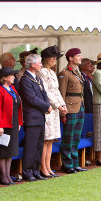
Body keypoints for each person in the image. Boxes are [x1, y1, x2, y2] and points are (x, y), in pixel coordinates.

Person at [18, 54, 52, 182]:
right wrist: (46, 106)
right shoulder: (25, 79)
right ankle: (27, 172)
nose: (41, 65)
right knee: (30, 147)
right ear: (32, 64)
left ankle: (35, 170)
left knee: (38, 146)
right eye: (39, 63)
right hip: (32, 118)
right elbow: (31, 98)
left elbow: (44, 95)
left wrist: (47, 105)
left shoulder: (37, 78)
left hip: (40, 117)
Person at [38, 45, 67, 178]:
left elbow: (56, 91)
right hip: (48, 109)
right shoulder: (42, 72)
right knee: (45, 139)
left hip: (55, 110)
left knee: (51, 140)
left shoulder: (52, 73)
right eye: (52, 57)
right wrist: (57, 105)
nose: (54, 59)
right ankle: (43, 167)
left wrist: (62, 105)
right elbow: (46, 92)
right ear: (45, 59)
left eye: (55, 57)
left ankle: (48, 167)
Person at [58, 48, 87, 174]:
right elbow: (62, 94)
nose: (80, 58)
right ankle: (67, 164)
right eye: (78, 56)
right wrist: (63, 113)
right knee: (68, 137)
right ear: (70, 58)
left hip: (79, 106)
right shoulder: (65, 73)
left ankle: (75, 163)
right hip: (70, 108)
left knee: (76, 137)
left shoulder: (77, 72)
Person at [0, 67, 23, 185]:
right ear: (4, 78)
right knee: (2, 150)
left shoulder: (13, 88)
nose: (14, 77)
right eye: (12, 75)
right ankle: (3, 175)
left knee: (11, 150)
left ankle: (8, 175)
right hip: (3, 124)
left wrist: (19, 122)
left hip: (14, 123)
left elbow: (18, 107)